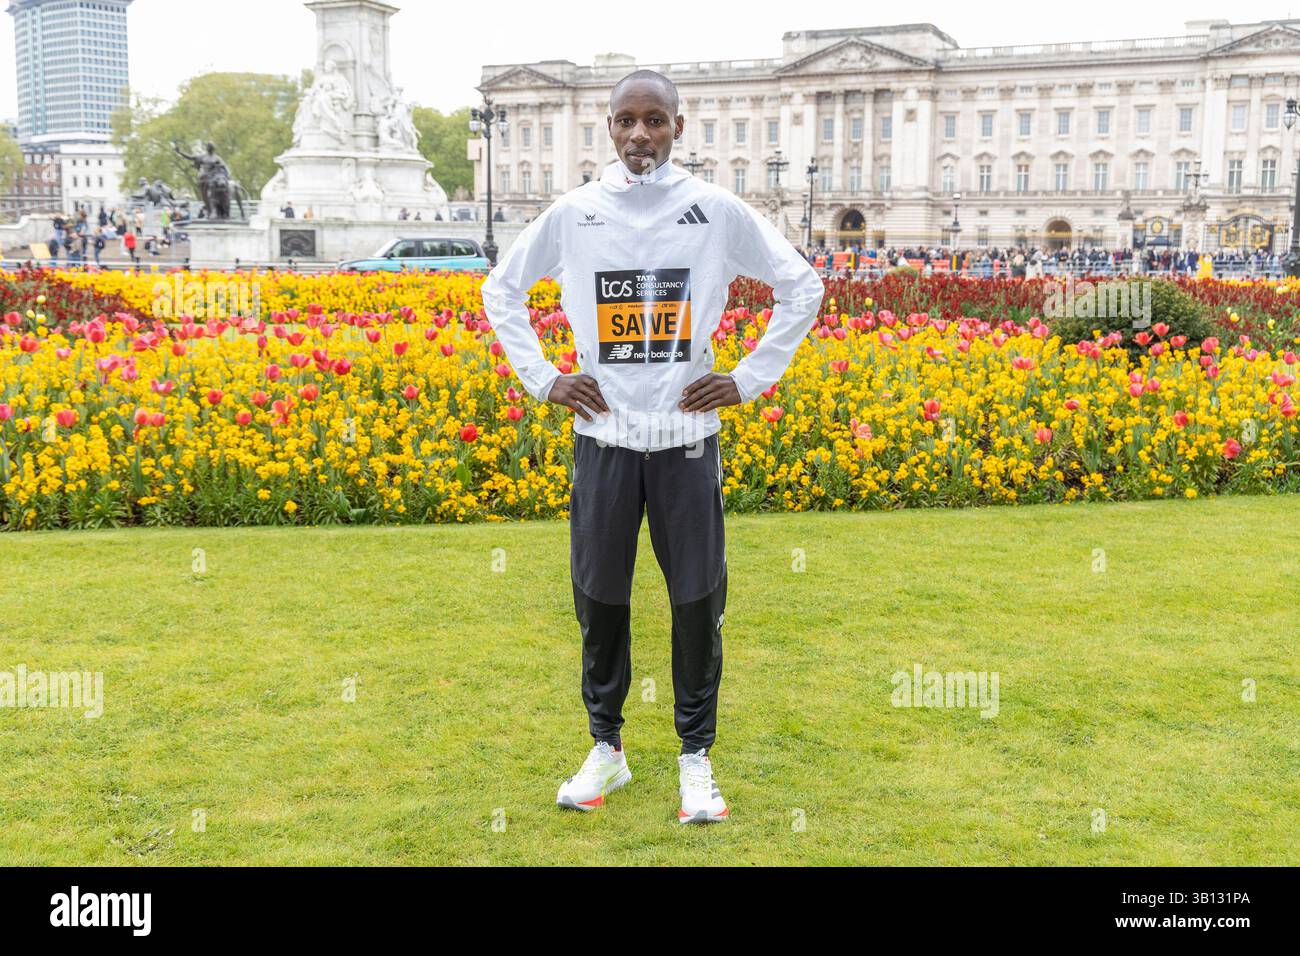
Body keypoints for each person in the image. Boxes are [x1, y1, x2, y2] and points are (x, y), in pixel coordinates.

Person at [481, 69, 822, 824]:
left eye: (655, 121)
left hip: (686, 443)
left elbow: (803, 286)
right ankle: (607, 748)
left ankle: (695, 758)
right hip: (603, 440)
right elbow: (500, 290)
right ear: (608, 127)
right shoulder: (575, 214)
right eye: (627, 121)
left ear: (677, 125)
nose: (641, 135)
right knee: (600, 600)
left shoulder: (715, 210)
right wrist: (544, 379)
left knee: (696, 601)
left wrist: (748, 378)